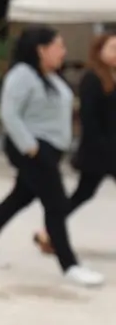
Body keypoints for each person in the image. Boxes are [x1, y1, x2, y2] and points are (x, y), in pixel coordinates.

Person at [0, 27, 104, 287]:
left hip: (50, 149)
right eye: (59, 46)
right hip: (32, 148)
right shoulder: (22, 75)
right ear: (41, 49)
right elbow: (10, 114)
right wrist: (30, 147)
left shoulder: (51, 76)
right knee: (55, 204)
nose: (63, 51)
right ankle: (70, 265)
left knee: (19, 198)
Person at [33, 32, 116, 256]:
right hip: (98, 152)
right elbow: (89, 118)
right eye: (112, 48)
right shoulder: (92, 78)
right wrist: (104, 147)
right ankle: (49, 231)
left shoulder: (112, 76)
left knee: (83, 194)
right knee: (83, 194)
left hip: (110, 150)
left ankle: (48, 231)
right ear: (99, 51)